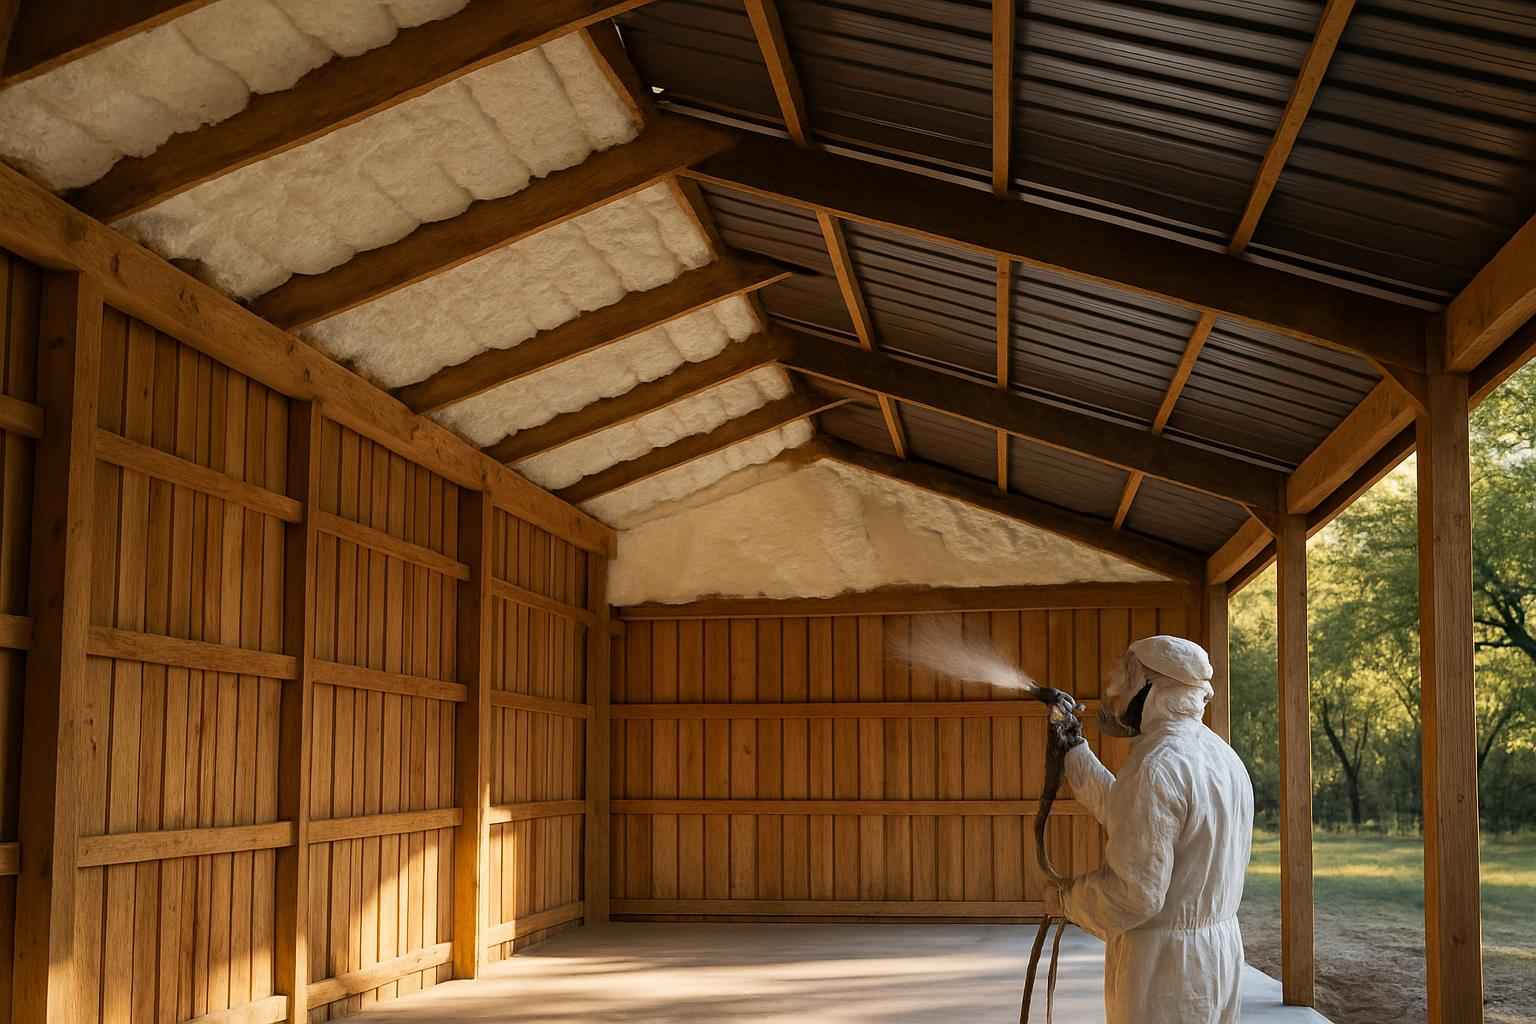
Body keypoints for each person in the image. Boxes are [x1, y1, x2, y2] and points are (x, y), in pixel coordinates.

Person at [1041, 635, 1254, 1024]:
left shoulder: (1157, 766)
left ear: (1150, 688)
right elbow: (1133, 818)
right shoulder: (1221, 756)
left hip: (1166, 968)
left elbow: (1135, 894)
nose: (1117, 694)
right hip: (1218, 953)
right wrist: (1074, 751)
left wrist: (1069, 901)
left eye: (1127, 680)